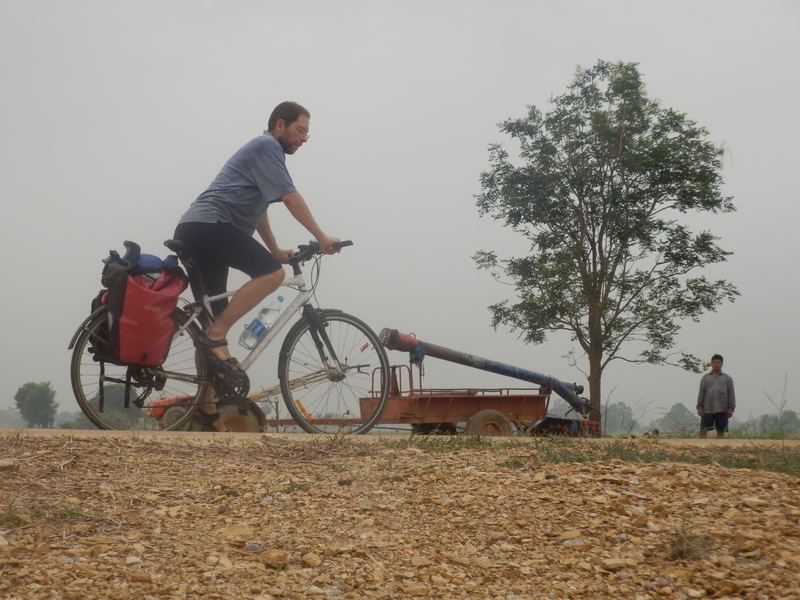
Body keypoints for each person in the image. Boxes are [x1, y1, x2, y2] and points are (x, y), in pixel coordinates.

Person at [174, 101, 340, 431]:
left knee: (211, 319)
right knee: (271, 276)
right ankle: (217, 335)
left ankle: (206, 410)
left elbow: (260, 207)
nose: (304, 138)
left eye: (308, 133)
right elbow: (290, 198)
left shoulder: (263, 153)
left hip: (199, 228)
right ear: (280, 125)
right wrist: (321, 236)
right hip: (211, 225)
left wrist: (275, 248)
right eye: (300, 130)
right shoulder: (267, 147)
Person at [696, 354, 735, 438]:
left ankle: (719, 448)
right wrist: (699, 407)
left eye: (718, 362)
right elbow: (701, 393)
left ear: (722, 364)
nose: (716, 364)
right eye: (715, 362)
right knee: (703, 430)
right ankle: (701, 446)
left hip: (722, 409)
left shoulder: (727, 379)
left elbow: (731, 394)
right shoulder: (705, 378)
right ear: (711, 364)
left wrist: (731, 409)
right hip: (707, 409)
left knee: (720, 430)